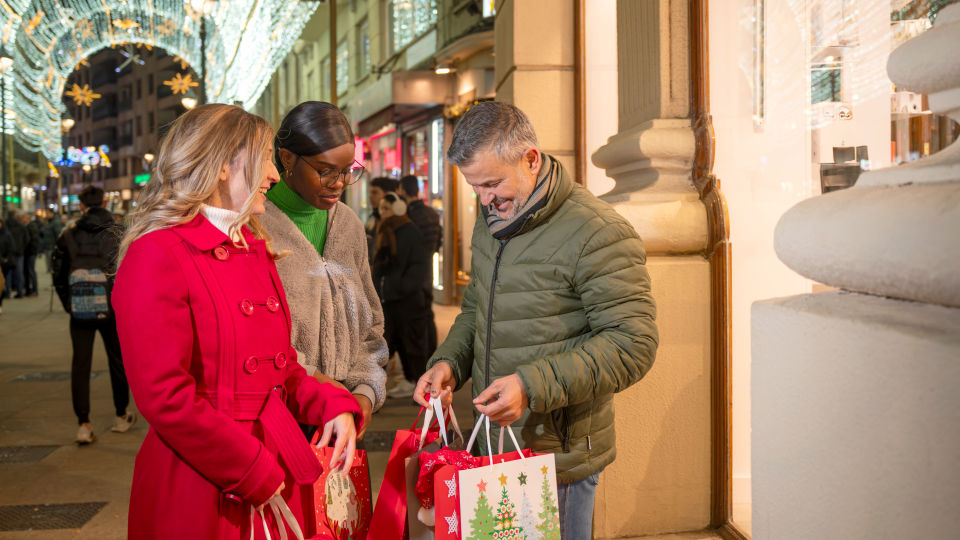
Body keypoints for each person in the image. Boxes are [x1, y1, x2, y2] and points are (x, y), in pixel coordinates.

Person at [111, 104, 361, 539]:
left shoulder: (252, 249)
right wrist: (248, 467)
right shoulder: (156, 254)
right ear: (225, 164)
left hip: (272, 462)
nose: (275, 174)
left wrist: (332, 404)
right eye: (265, 157)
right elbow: (164, 396)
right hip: (205, 480)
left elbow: (280, 367)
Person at [414, 102, 659, 540]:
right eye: (475, 187)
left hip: (557, 454)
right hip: (496, 441)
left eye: (492, 183)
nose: (485, 199)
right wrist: (450, 362)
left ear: (530, 159)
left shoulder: (597, 231)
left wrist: (530, 385)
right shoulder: (491, 221)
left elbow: (632, 344)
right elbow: (476, 307)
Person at [263, 101, 388, 439]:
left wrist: (365, 389)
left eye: (348, 169)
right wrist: (319, 388)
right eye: (325, 170)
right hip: (280, 418)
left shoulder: (347, 224)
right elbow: (260, 340)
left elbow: (368, 323)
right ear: (287, 158)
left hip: (344, 418)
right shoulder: (256, 227)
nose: (339, 182)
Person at [52, 185, 135, 444]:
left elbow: (58, 274)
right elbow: (131, 271)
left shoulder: (69, 235)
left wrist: (70, 304)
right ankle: (121, 415)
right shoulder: (118, 233)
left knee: (81, 364)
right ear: (104, 202)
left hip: (80, 309)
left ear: (81, 206)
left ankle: (84, 424)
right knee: (117, 360)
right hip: (112, 307)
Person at [372, 192, 431, 398]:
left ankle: (415, 381)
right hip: (388, 300)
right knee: (388, 342)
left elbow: (418, 265)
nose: (383, 212)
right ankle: (402, 381)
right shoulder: (383, 230)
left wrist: (401, 287)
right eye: (381, 209)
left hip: (407, 300)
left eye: (386, 208)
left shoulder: (409, 231)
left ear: (398, 208)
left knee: (411, 342)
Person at [399, 175, 441, 355]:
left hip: (413, 270)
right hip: (428, 269)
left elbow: (406, 247)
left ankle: (420, 362)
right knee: (427, 313)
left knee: (415, 318)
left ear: (402, 191)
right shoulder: (431, 213)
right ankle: (433, 353)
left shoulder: (408, 216)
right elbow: (438, 241)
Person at [365, 176, 398, 262]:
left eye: (375, 193)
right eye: (370, 193)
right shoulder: (372, 219)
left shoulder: (395, 221)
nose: (370, 197)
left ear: (387, 195)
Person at [4, 210, 26, 298]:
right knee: (19, 273)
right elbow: (26, 238)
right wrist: (22, 248)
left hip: (8, 253)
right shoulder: (20, 226)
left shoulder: (5, 225)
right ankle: (20, 291)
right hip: (19, 252)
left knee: (7, 273)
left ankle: (7, 292)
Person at [21, 211, 40, 296]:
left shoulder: (30, 227)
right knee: (30, 271)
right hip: (31, 252)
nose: (22, 220)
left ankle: (35, 290)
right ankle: (31, 289)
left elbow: (31, 241)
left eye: (23, 218)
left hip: (30, 252)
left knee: (31, 271)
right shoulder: (30, 226)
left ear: (27, 218)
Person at [0, 217, 15, 314]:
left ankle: (0, 303)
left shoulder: (7, 234)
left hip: (3, 263)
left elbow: (11, 248)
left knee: (1, 285)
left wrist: (6, 259)